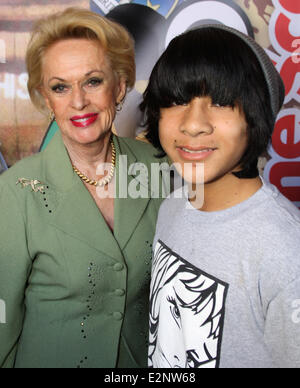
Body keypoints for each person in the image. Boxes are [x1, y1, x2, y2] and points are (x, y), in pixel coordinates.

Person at [0, 7, 167, 368]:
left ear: (120, 86)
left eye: (92, 81)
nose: (78, 101)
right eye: (60, 87)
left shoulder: (158, 167)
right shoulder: (16, 191)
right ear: (46, 99)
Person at [141, 25, 300, 368]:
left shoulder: (285, 250)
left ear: (256, 117)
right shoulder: (172, 206)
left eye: (222, 102)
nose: (193, 124)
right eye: (177, 100)